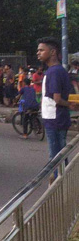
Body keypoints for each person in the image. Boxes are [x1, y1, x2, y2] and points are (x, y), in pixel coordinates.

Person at [36, 37, 79, 170]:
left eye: (42, 50)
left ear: (53, 52)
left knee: (54, 157)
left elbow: (57, 99)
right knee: (60, 154)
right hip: (57, 117)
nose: (38, 53)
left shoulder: (53, 71)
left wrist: (69, 105)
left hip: (54, 118)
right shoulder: (57, 70)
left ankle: (57, 185)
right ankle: (60, 183)